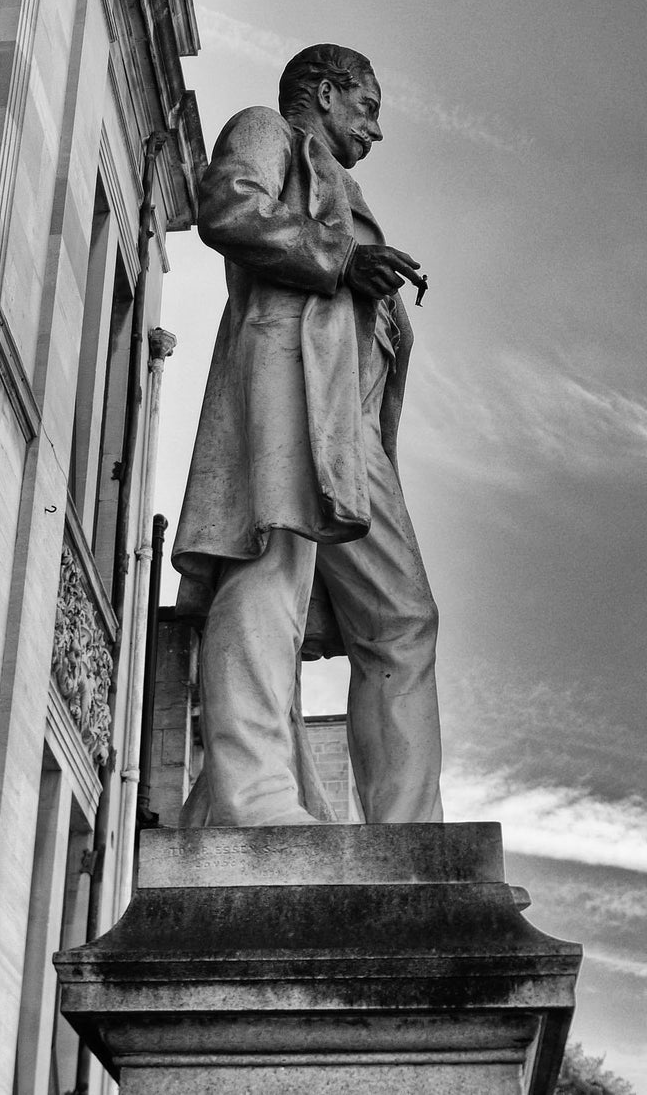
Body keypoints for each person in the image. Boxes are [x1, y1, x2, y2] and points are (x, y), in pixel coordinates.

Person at [172, 44, 442, 827]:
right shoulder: (265, 130)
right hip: (288, 375)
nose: (377, 130)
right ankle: (253, 799)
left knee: (403, 618)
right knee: (271, 567)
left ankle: (409, 839)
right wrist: (343, 258)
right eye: (369, 107)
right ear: (325, 93)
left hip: (352, 429)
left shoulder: (345, 187)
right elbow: (226, 206)